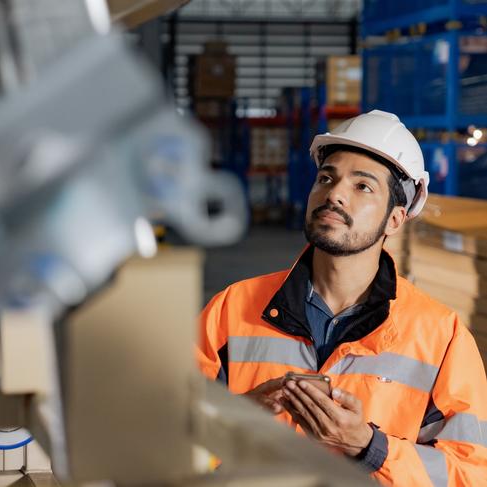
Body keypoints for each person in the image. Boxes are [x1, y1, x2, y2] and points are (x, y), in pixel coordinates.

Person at [197, 110, 487, 485]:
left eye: (362, 186)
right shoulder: (231, 309)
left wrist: (370, 447)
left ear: (395, 219)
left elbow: (469, 474)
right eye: (325, 178)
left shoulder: (441, 337)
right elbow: (164, 432)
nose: (334, 193)